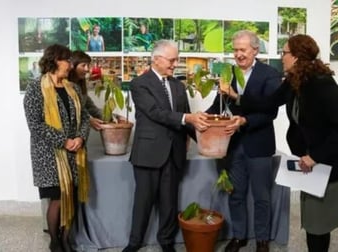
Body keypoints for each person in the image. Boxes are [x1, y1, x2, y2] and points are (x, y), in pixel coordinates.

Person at [223, 34, 338, 252]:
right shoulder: (294, 80)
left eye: (285, 53)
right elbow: (269, 102)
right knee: (313, 220)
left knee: (318, 224)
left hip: (334, 162)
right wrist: (237, 97)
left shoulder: (322, 83)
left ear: (298, 56)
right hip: (313, 161)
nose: (282, 57)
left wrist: (315, 156)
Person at [122, 40, 209, 252]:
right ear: (157, 59)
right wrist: (188, 117)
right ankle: (134, 243)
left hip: (174, 153)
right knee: (143, 203)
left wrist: (207, 139)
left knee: (169, 203)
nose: (175, 63)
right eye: (171, 60)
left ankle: (167, 242)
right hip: (148, 154)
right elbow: (155, 113)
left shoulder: (178, 86)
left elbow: (186, 122)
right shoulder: (140, 84)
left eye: (176, 59)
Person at [206, 30, 282, 252]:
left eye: (243, 50)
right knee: (236, 194)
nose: (238, 54)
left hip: (259, 145)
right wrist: (205, 117)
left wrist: (244, 120)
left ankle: (262, 239)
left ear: (255, 50)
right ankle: (239, 236)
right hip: (232, 145)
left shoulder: (269, 74)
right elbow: (218, 105)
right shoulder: (227, 73)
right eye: (235, 50)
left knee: (261, 197)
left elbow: (270, 112)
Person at [23, 44, 90, 252]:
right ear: (54, 61)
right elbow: (35, 124)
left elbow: (85, 117)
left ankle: (67, 238)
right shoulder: (35, 88)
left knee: (73, 197)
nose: (70, 65)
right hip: (49, 154)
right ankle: (55, 241)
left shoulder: (73, 88)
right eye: (66, 60)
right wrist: (63, 141)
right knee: (58, 199)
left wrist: (80, 136)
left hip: (74, 153)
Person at [68, 51, 104, 130]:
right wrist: (89, 120)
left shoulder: (80, 87)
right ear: (73, 66)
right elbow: (71, 111)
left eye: (88, 65)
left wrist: (112, 116)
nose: (87, 69)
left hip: (79, 137)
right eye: (83, 65)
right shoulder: (66, 86)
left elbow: (91, 108)